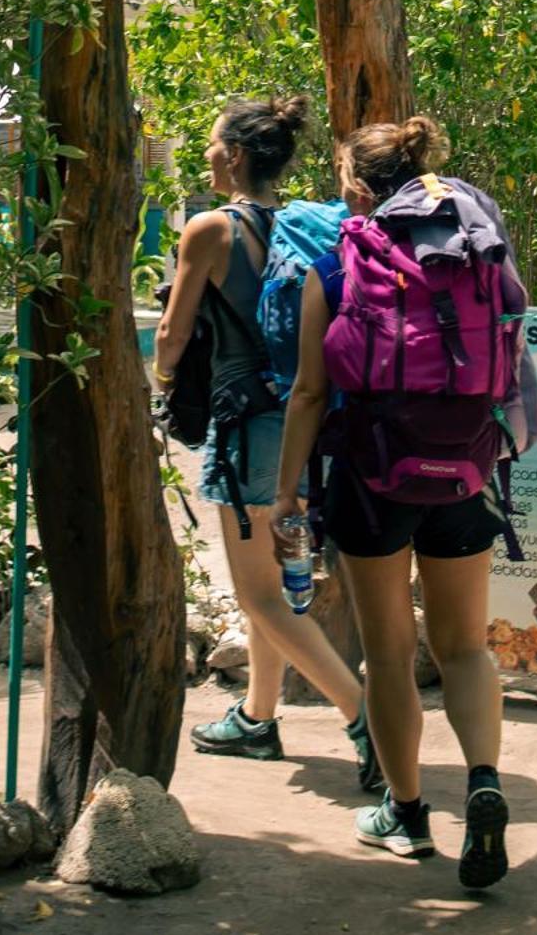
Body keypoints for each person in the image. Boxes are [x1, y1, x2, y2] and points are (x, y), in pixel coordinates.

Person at [271, 115, 514, 890]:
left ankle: (405, 813)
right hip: (463, 470)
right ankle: (482, 781)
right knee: (465, 646)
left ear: (352, 185)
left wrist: (285, 494)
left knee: (386, 655)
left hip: (373, 480)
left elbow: (310, 391)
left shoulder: (337, 269)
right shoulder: (472, 255)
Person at [153, 95, 379, 788]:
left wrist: (162, 383)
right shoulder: (306, 223)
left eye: (213, 144)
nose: (205, 154)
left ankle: (367, 718)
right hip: (307, 426)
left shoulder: (209, 230)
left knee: (260, 598)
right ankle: (256, 716)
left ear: (237, 155)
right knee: (270, 587)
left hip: (249, 430)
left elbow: (173, 334)